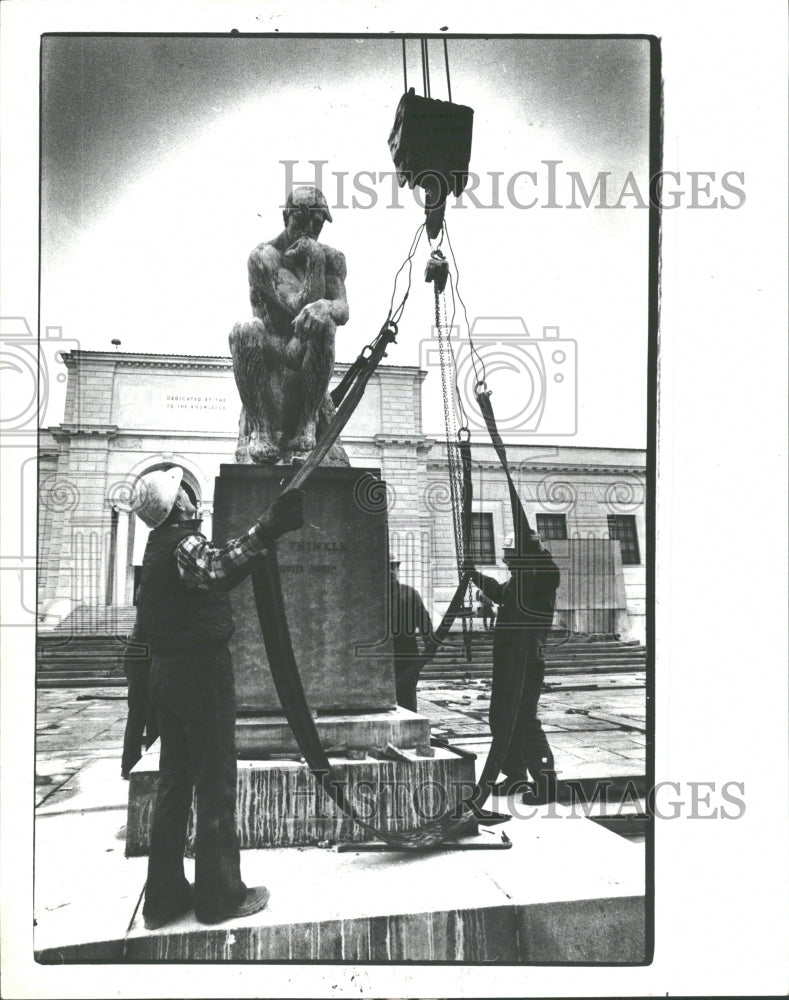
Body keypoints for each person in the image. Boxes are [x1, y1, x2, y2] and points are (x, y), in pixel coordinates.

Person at [132, 466, 303, 929]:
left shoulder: (155, 548)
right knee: (215, 785)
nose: (192, 496)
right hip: (199, 676)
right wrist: (269, 527)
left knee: (174, 783)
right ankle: (219, 896)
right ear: (177, 507)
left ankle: (164, 897)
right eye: (185, 492)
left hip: (167, 677)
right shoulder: (184, 543)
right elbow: (219, 567)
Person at [229, 184, 350, 466]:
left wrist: (326, 305)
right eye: (301, 221)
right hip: (269, 347)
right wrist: (315, 262)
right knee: (245, 329)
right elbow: (296, 308)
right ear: (287, 217)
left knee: (324, 325)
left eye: (317, 223)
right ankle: (262, 429)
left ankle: (307, 425)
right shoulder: (264, 256)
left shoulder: (334, 258)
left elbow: (342, 309)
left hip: (300, 348)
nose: (309, 230)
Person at [465, 533, 561, 803]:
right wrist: (474, 575)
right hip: (509, 659)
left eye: (510, 557)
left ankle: (546, 783)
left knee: (524, 719)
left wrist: (536, 548)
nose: (507, 562)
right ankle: (515, 774)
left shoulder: (538, 578)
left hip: (527, 659)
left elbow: (550, 572)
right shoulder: (519, 581)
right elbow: (499, 592)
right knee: (501, 715)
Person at [389, 560, 435, 712]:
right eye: (386, 567)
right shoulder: (372, 595)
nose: (390, 571)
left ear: (398, 569)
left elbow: (423, 619)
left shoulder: (410, 594)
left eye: (393, 567)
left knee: (407, 699)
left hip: (407, 652)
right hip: (383, 655)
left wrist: (429, 641)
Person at [120, 603, 157, 781]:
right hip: (141, 662)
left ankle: (146, 761)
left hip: (142, 660)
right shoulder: (148, 617)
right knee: (140, 714)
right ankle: (130, 765)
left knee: (150, 714)